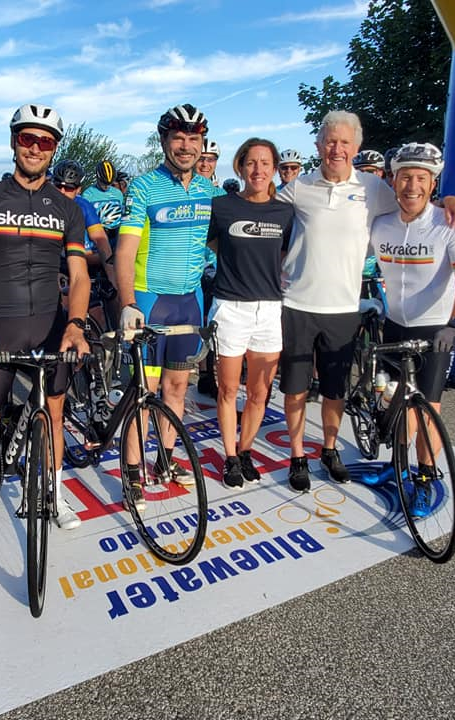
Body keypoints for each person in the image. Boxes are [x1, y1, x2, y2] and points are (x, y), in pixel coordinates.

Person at [277, 110, 455, 492]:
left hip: (344, 309)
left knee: (335, 391)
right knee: (296, 389)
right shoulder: (298, 186)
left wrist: (452, 198)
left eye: (344, 142)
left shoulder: (372, 188)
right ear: (318, 145)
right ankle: (298, 455)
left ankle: (330, 450)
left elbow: (414, 195)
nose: (337, 149)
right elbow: (261, 209)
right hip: (298, 304)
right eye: (330, 141)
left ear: (357, 147)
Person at [0, 103, 90, 566]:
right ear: (14, 142)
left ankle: (54, 493)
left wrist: (75, 323)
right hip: (0, 328)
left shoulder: (66, 208)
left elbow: (80, 274)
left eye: (44, 141)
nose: (34, 148)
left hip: (50, 325)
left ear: (54, 149)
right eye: (27, 139)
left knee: (53, 415)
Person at [115, 103, 218, 510]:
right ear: (164, 141)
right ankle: (132, 473)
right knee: (145, 392)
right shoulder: (142, 187)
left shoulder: (210, 191)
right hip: (150, 300)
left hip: (188, 303)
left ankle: (166, 460)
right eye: (178, 137)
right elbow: (125, 251)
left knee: (177, 388)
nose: (186, 145)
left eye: (193, 139)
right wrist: (126, 302)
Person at [369, 141, 455, 514]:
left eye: (421, 178)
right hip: (395, 325)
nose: (412, 186)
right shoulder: (381, 223)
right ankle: (397, 466)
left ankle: (426, 475)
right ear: (392, 180)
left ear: (433, 184)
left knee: (426, 406)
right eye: (405, 177)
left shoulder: (451, 224)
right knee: (395, 402)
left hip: (435, 330)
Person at [206, 138, 293, 488]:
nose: (258, 170)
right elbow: (213, 244)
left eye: (265, 163)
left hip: (270, 310)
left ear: (273, 169)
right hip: (230, 308)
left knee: (260, 393)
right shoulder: (222, 207)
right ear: (240, 167)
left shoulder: (285, 212)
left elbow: (284, 255)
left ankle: (245, 451)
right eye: (251, 163)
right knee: (228, 390)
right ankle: (229, 456)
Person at [52, 158, 118, 326]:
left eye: (68, 188)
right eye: (58, 186)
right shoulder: (44, 205)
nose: (62, 191)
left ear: (78, 189)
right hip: (58, 266)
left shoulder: (84, 205)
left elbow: (101, 241)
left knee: (99, 318)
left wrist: (112, 277)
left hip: (83, 264)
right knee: (66, 309)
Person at [194, 138, 222, 398]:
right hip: (189, 265)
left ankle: (209, 375)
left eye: (210, 159)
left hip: (214, 267)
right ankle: (202, 374)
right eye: (201, 158)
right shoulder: (187, 188)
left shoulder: (221, 195)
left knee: (213, 323)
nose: (204, 163)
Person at [82, 159, 125, 247]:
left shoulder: (118, 194)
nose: (106, 186)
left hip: (115, 235)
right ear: (97, 178)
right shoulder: (88, 194)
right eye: (103, 183)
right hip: (97, 235)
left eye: (109, 184)